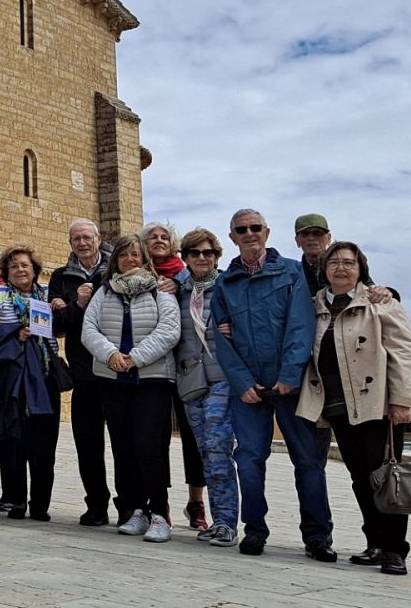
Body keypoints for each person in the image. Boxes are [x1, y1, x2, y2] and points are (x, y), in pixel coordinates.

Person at [207, 209, 335, 560]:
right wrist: (242, 382)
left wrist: (289, 377)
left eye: (255, 228)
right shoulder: (225, 283)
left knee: (308, 461)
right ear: (233, 236)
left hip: (289, 385)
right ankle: (255, 530)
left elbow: (301, 327)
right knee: (248, 459)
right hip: (248, 388)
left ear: (267, 232)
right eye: (241, 230)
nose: (249, 234)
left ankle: (317, 535)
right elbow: (222, 339)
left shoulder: (291, 273)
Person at [297, 241, 411, 576]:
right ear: (324, 270)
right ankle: (375, 543)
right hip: (338, 407)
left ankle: (395, 550)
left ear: (360, 268)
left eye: (348, 262)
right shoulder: (315, 306)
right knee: (360, 478)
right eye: (333, 262)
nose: (340, 268)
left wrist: (402, 401)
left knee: (386, 477)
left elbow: (404, 353)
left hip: (378, 404)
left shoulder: (380, 302)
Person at [81, 234, 181, 543]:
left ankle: (160, 513)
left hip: (151, 380)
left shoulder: (160, 291)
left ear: (145, 259)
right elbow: (89, 328)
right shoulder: (104, 292)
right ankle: (135, 509)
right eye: (125, 255)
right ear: (116, 261)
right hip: (113, 379)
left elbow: (169, 330)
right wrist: (111, 355)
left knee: (150, 446)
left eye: (137, 255)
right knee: (123, 446)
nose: (131, 259)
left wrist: (135, 358)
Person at [0, 245, 61, 521]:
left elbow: (60, 328)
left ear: (35, 269)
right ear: (6, 271)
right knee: (14, 440)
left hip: (44, 377)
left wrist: (60, 308)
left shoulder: (47, 294)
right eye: (14, 266)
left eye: (25, 265)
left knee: (44, 444)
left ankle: (40, 504)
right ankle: (15, 501)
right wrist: (15, 334)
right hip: (12, 380)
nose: (20, 270)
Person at [48, 218, 116, 526]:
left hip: (118, 371)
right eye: (76, 239)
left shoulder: (118, 269)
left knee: (124, 443)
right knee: (88, 446)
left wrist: (69, 309)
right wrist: (77, 303)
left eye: (87, 237)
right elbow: (55, 326)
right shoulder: (62, 277)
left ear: (99, 239)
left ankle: (129, 505)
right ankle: (97, 505)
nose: (82, 243)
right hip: (84, 373)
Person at [174, 228, 238, 546]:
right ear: (184, 257)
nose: (202, 258)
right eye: (195, 253)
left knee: (218, 447)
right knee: (203, 452)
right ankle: (217, 519)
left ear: (216, 257)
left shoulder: (230, 286)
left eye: (208, 253)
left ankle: (226, 521)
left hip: (223, 378)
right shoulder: (175, 290)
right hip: (191, 379)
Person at [143, 221, 208, 534]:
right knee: (156, 437)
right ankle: (161, 503)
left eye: (164, 236)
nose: (158, 240)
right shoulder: (139, 276)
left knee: (194, 436)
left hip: (187, 366)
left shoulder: (186, 275)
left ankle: (196, 501)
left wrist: (178, 285)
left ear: (173, 244)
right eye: (152, 237)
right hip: (153, 369)